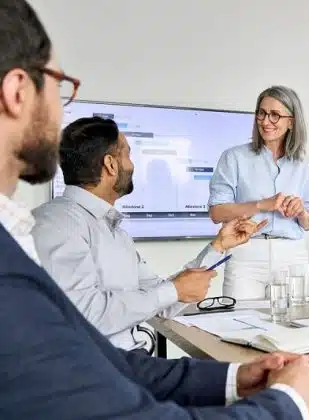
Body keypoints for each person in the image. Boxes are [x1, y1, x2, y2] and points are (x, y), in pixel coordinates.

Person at [0, 1, 309, 418]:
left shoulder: (108, 228)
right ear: (17, 92)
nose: (136, 164)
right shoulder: (52, 227)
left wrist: (218, 250)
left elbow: (153, 306)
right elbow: (101, 318)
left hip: (141, 363)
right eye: (60, 86)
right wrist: (289, 403)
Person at [31, 117, 267, 351]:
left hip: (130, 362)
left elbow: (164, 300)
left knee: (238, 375)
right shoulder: (57, 224)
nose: (132, 166)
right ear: (111, 164)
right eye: (128, 155)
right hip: (100, 372)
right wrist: (173, 290)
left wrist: (218, 247)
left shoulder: (114, 232)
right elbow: (85, 315)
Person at [208, 86, 309, 299]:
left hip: (292, 256)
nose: (266, 121)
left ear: (291, 122)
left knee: (290, 327)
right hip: (247, 254)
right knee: (240, 327)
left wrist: (301, 212)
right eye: (261, 113)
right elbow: (216, 213)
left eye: (275, 115)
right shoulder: (234, 158)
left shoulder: (302, 165)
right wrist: (261, 205)